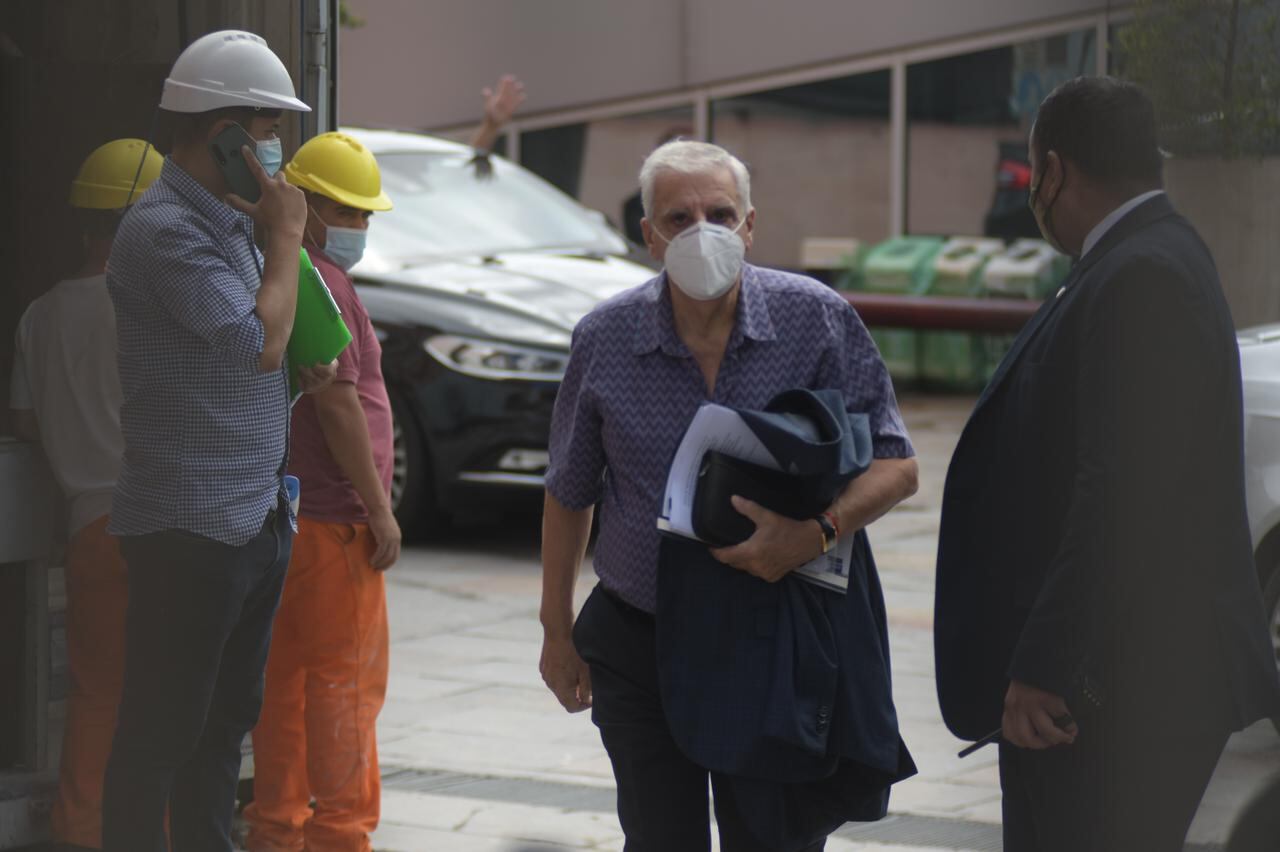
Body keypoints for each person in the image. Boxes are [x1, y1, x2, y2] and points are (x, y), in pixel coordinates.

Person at [539, 140, 919, 850]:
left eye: (720, 213)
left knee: (772, 837)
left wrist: (817, 533)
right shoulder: (604, 338)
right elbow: (568, 492)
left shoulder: (817, 319)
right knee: (658, 839)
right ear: (649, 236)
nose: (702, 231)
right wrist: (556, 631)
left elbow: (897, 464)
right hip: (639, 638)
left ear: (750, 226)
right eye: (679, 218)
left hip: (771, 637)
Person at [933, 76, 1280, 852]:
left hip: (1113, 689)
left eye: (1034, 178)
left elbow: (1121, 493)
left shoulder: (1141, 272)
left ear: (1052, 171)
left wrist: (1045, 664)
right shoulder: (1136, 256)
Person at [101, 30, 335, 852]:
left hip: (254, 511)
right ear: (224, 133)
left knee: (225, 722)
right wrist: (283, 234)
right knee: (163, 728)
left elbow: (263, 354)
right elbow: (250, 343)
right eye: (266, 131)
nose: (274, 151)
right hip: (189, 524)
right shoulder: (163, 229)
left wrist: (294, 373)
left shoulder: (235, 220)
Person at [243, 131, 396, 852]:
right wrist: (380, 508)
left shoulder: (293, 272)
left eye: (368, 215)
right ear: (305, 203)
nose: (360, 227)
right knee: (345, 688)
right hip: (337, 523)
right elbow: (338, 402)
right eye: (349, 212)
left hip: (296, 517)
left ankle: (278, 829)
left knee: (287, 682)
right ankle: (340, 834)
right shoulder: (326, 283)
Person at [8, 138, 161, 852]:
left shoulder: (39, 315)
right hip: (159, 526)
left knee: (96, 693)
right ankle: (155, 833)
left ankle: (81, 831)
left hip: (87, 527)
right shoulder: (147, 304)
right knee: (164, 695)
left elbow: (24, 422)